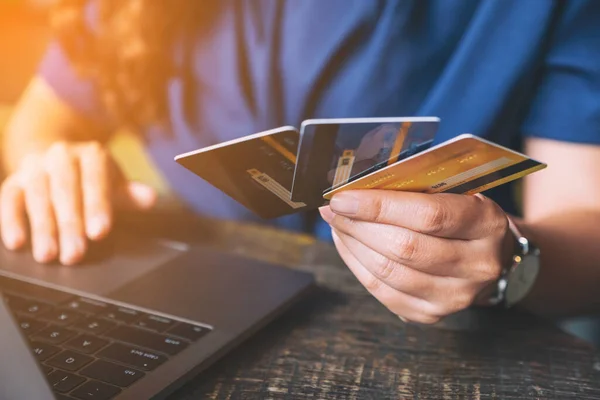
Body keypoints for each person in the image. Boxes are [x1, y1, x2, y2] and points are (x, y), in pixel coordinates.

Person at [2, 0, 600, 325]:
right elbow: (41, 119)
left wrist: (509, 262)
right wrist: (49, 165)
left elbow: (586, 217)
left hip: (444, 338)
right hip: (189, 305)